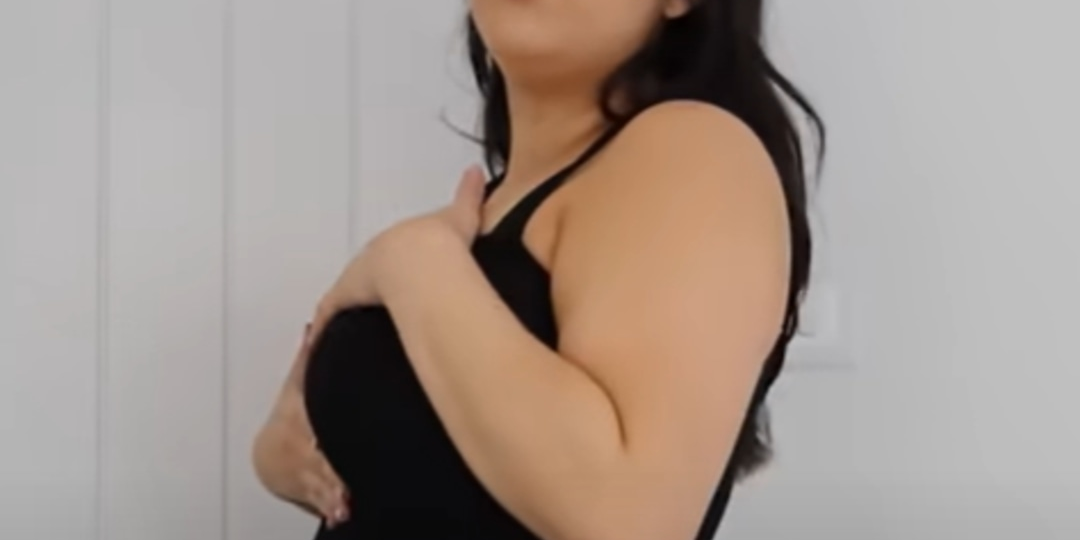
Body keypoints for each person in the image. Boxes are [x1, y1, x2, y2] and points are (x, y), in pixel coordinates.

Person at [253, 0, 824, 538]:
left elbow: (629, 517)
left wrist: (411, 264)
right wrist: (283, 446)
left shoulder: (694, 149)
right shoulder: (482, 217)